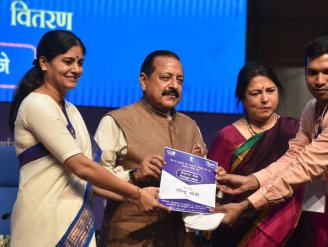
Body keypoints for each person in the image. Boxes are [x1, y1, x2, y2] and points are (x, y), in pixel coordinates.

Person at [212, 35, 328, 246]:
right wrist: (252, 180)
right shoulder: (312, 108)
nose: (319, 81)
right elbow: (294, 156)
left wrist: (245, 205)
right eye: (312, 72)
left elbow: (303, 168)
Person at [8, 30, 167, 247]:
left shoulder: (72, 110)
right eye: (68, 61)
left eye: (80, 62)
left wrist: (134, 176)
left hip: (76, 225)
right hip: (42, 225)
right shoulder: (36, 104)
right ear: (44, 63)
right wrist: (137, 194)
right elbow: (81, 167)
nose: (76, 69)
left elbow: (91, 177)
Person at [207, 61, 328, 247]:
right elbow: (210, 187)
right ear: (242, 97)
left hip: (292, 229)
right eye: (256, 93)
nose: (265, 99)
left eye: (270, 91)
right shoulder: (228, 137)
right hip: (239, 231)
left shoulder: (296, 131)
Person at [94, 50, 207, 247]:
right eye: (165, 78)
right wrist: (135, 174)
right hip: (129, 238)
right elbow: (94, 179)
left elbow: (199, 189)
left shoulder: (191, 126)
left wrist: (210, 178)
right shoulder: (116, 121)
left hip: (179, 238)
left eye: (179, 80)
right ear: (144, 81)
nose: (173, 86)